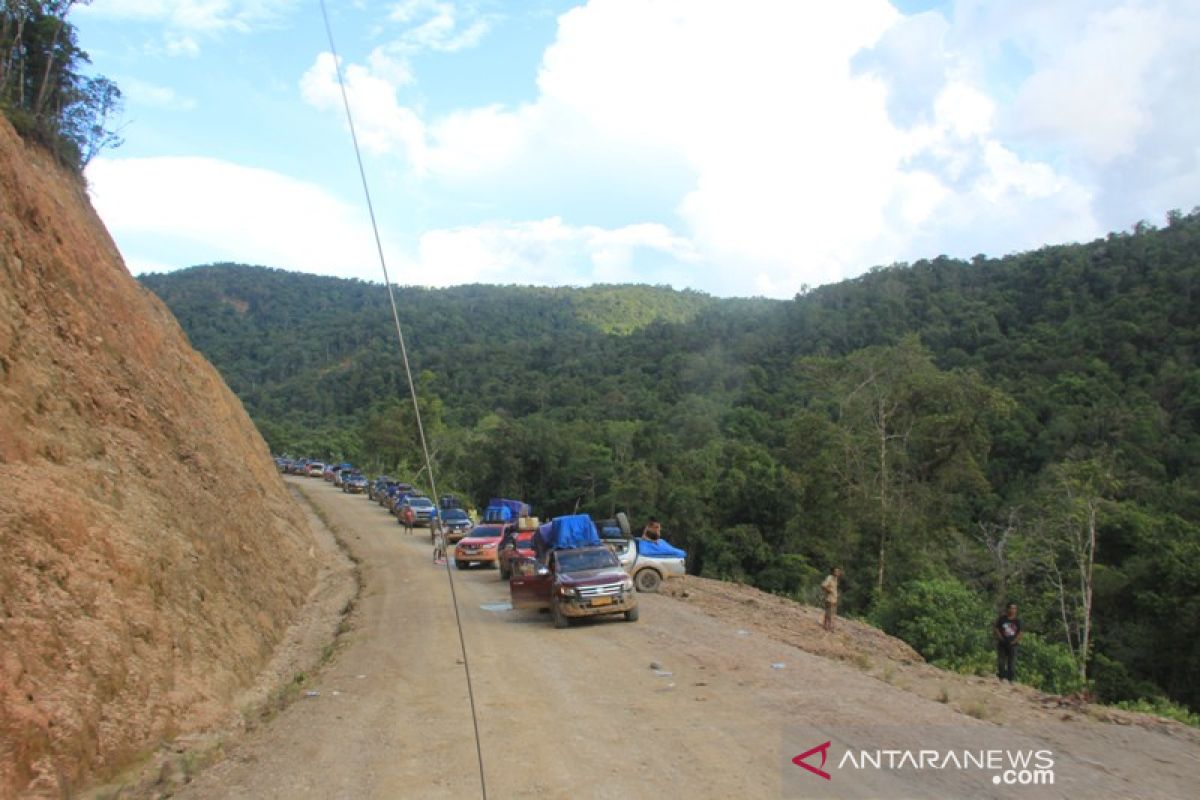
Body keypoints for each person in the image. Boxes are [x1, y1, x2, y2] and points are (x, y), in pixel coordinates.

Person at [994, 602, 1022, 682]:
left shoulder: (1017, 621)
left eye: (1015, 608)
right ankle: (1001, 678)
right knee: (1001, 662)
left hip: (1013, 645)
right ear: (1008, 609)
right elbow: (996, 629)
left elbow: (1020, 633)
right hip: (1002, 644)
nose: (1013, 610)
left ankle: (1011, 680)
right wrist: (1000, 638)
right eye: (1012, 608)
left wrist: (1015, 641)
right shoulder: (1002, 619)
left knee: (1011, 664)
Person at [821, 567, 843, 632]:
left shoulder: (835, 579)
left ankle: (826, 625)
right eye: (836, 571)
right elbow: (823, 585)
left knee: (829, 613)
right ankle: (829, 627)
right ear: (833, 572)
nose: (837, 573)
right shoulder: (829, 577)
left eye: (838, 571)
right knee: (830, 613)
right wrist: (829, 591)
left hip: (834, 598)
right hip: (829, 598)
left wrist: (835, 594)